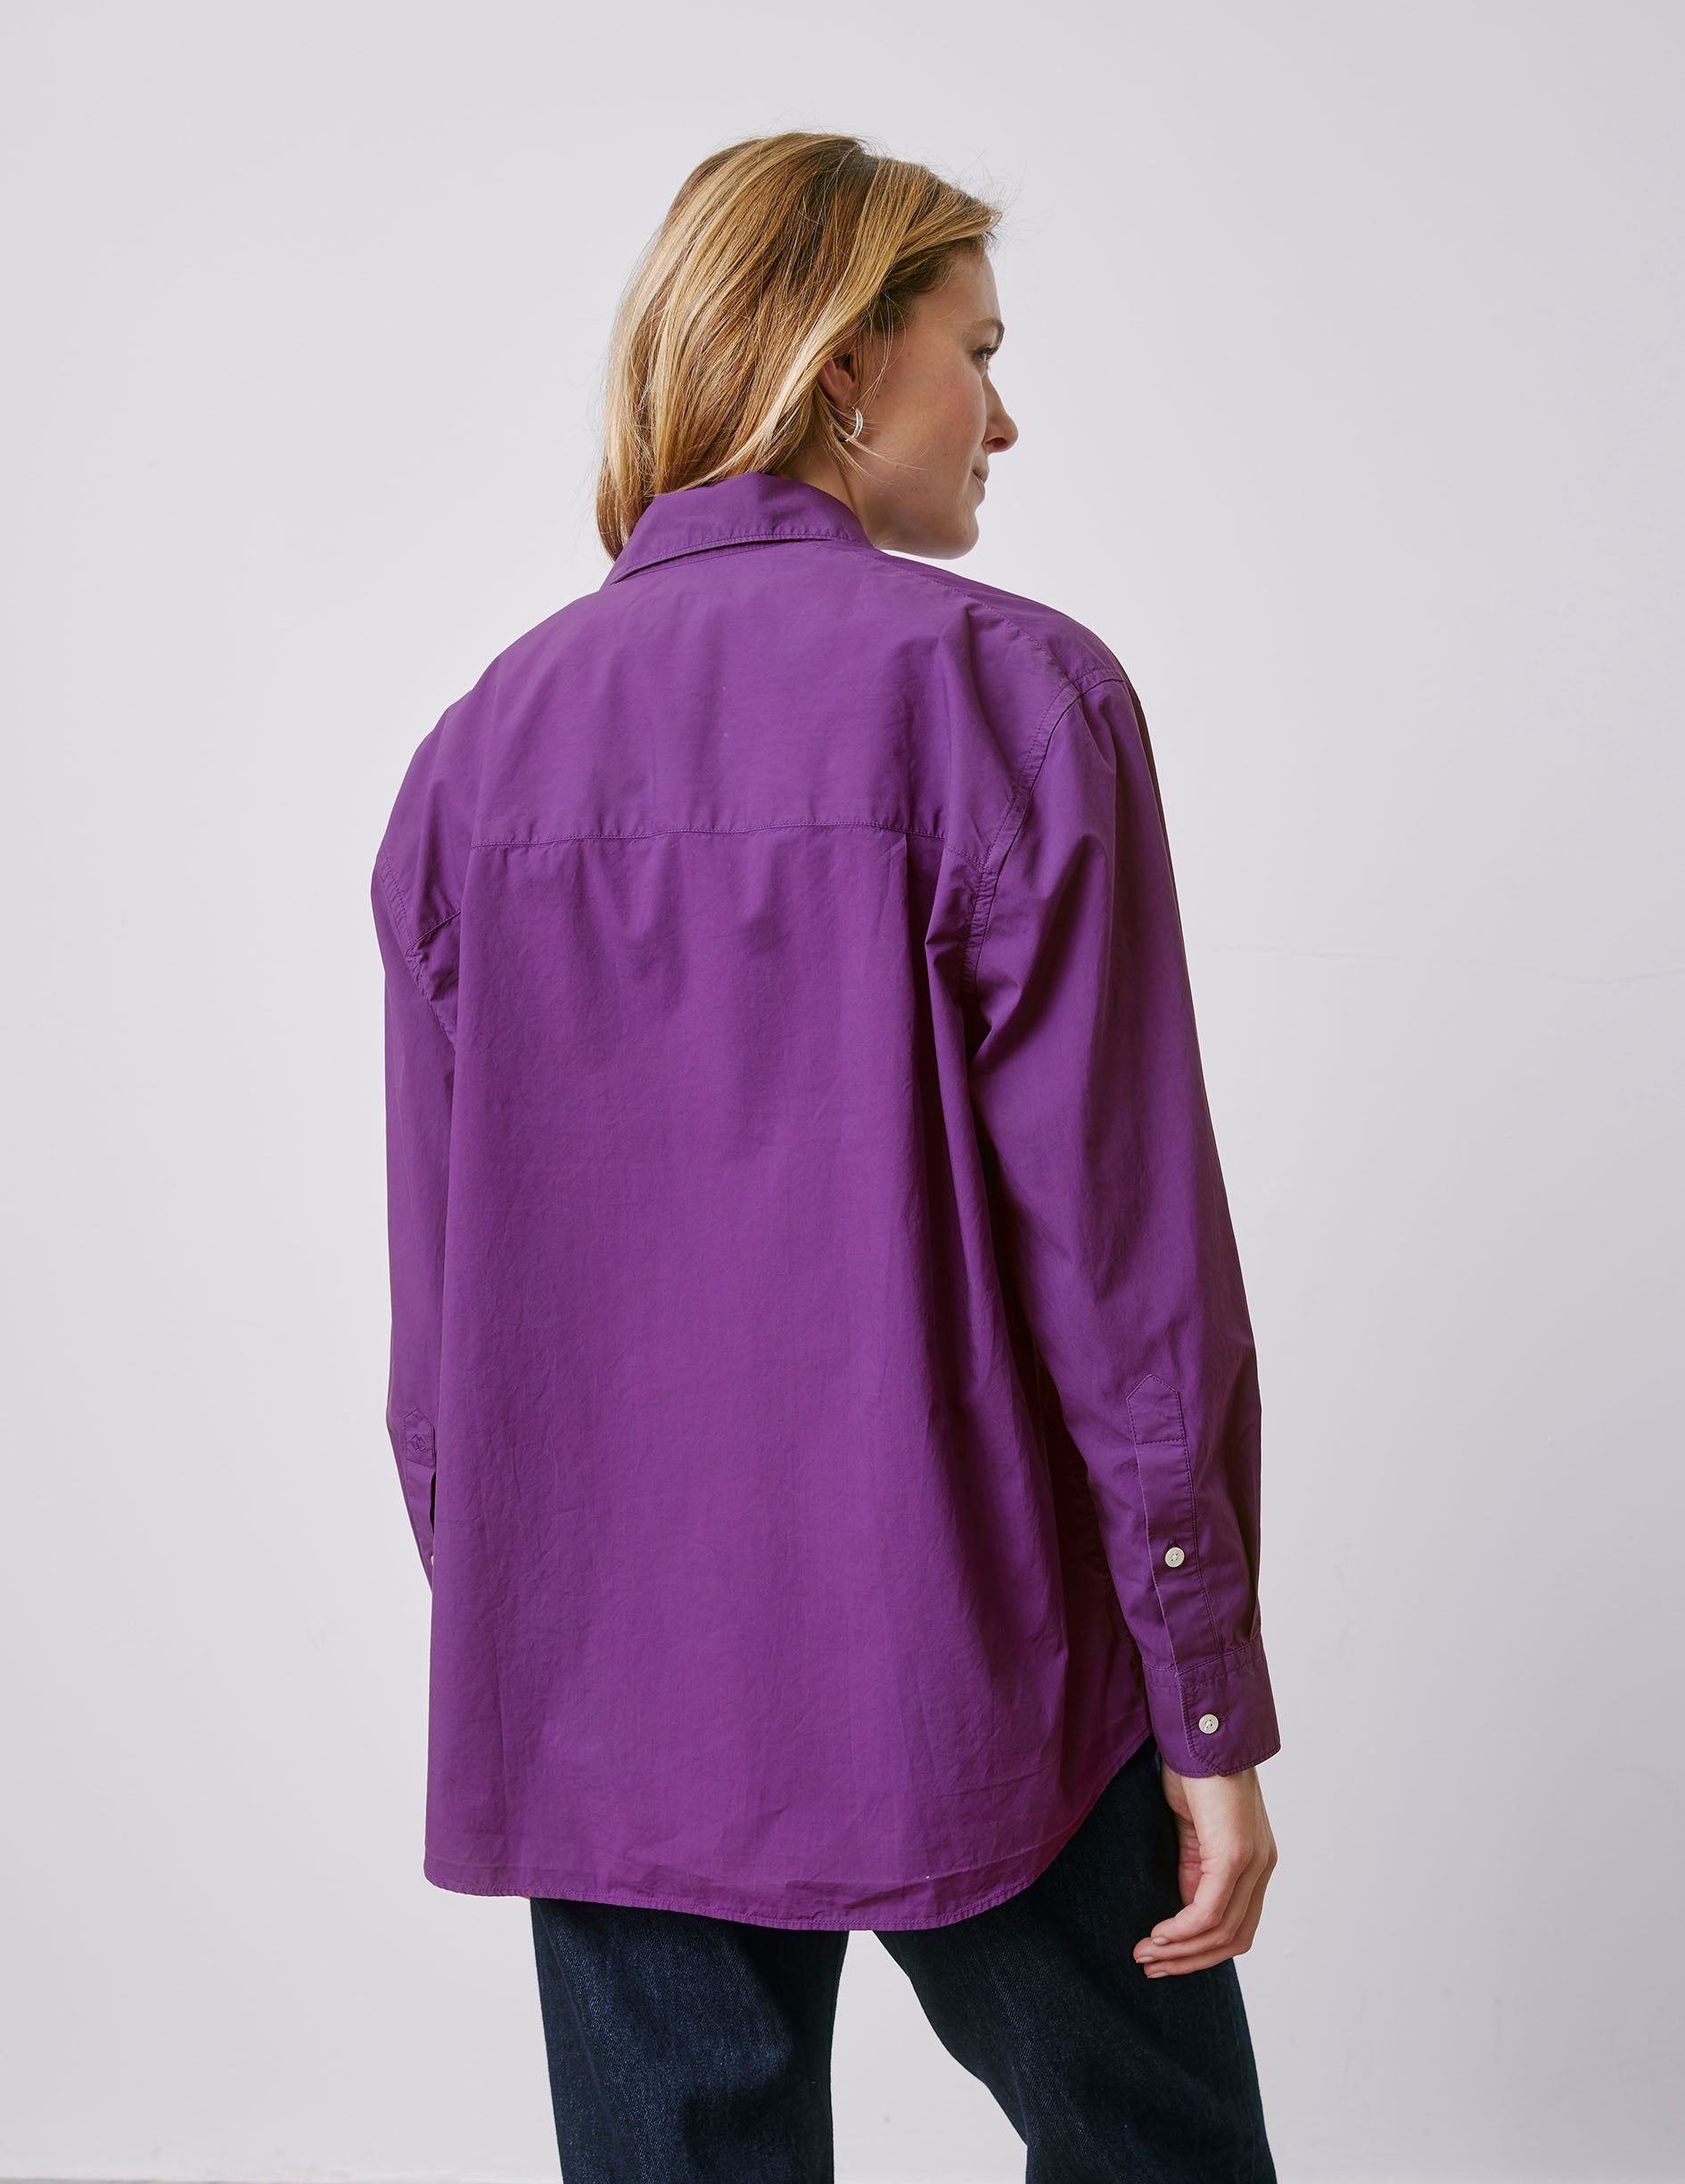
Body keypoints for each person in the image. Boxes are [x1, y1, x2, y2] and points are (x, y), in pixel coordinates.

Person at [370, 128, 1283, 2181]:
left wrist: (548, 1637)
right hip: (986, 1668)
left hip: (609, 1698)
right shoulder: (1015, 697)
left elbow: (443, 1355)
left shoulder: (474, 757)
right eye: (981, 349)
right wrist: (1206, 1697)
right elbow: (1128, 1279)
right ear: (845, 363)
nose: (1005, 415)